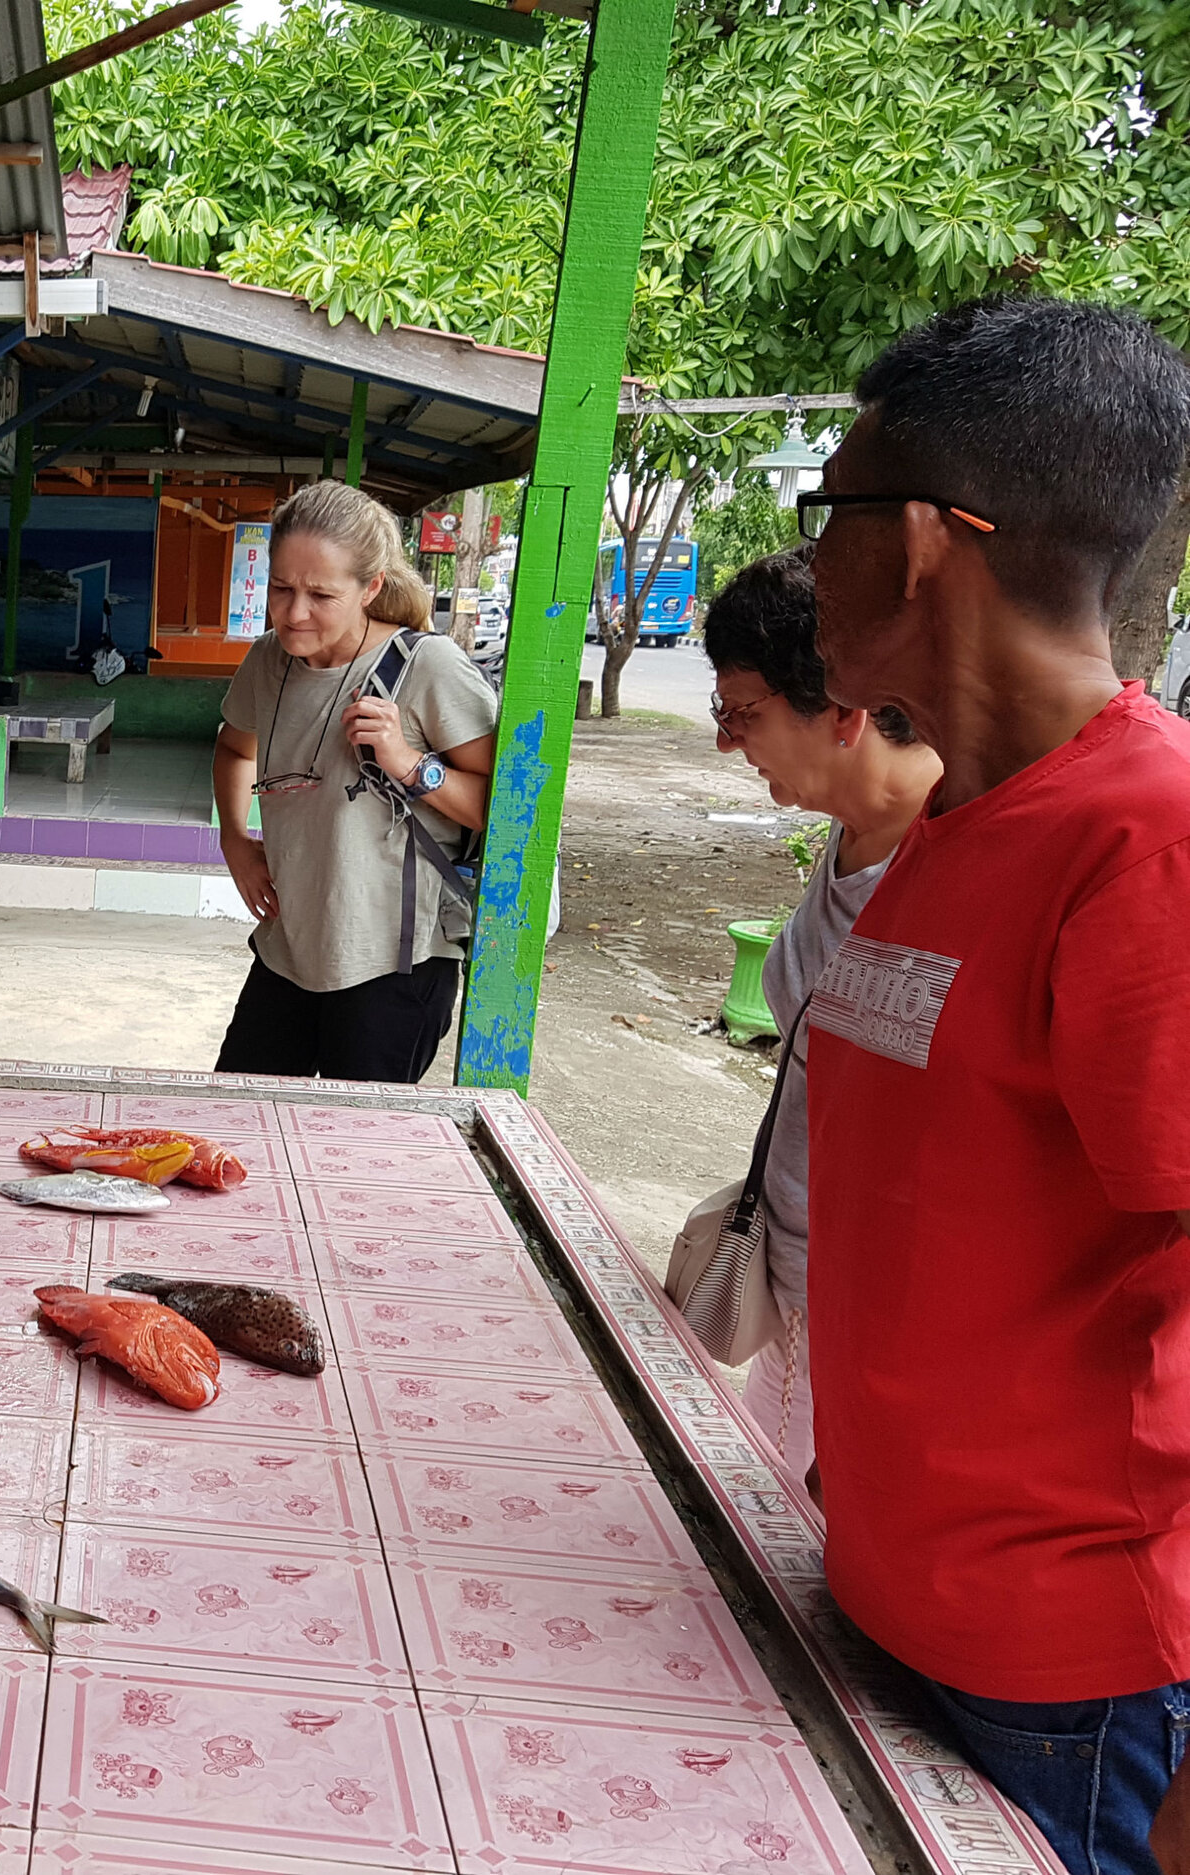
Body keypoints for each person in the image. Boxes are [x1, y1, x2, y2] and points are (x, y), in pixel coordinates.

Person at [802, 295, 1190, 1875]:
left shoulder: (1147, 841)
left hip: (1063, 1680)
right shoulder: (958, 822)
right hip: (886, 1600)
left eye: (822, 511)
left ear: (917, 545)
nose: (805, 561)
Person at [699, 544, 938, 1478]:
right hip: (795, 1286)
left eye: (742, 713)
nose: (727, 740)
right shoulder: (845, 837)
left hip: (878, 1325)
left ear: (843, 705)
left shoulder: (952, 858)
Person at [211, 481, 499, 1081]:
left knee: (355, 1154)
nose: (294, 613)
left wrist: (407, 761)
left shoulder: (429, 667)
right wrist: (234, 841)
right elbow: (234, 748)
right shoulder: (269, 660)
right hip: (289, 949)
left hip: (396, 966)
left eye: (320, 594)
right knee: (239, 1121)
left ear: (370, 588)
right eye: (281, 589)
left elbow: (501, 809)